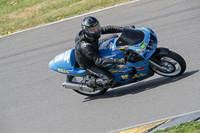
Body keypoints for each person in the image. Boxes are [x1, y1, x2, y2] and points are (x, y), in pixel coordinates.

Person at [75, 16, 134, 89]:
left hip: (95, 46)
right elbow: (98, 61)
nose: (96, 30)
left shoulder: (92, 33)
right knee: (109, 80)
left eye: (97, 27)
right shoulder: (85, 46)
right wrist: (118, 61)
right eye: (93, 29)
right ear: (86, 30)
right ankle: (90, 83)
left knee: (114, 36)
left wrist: (125, 29)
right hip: (89, 63)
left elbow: (107, 28)